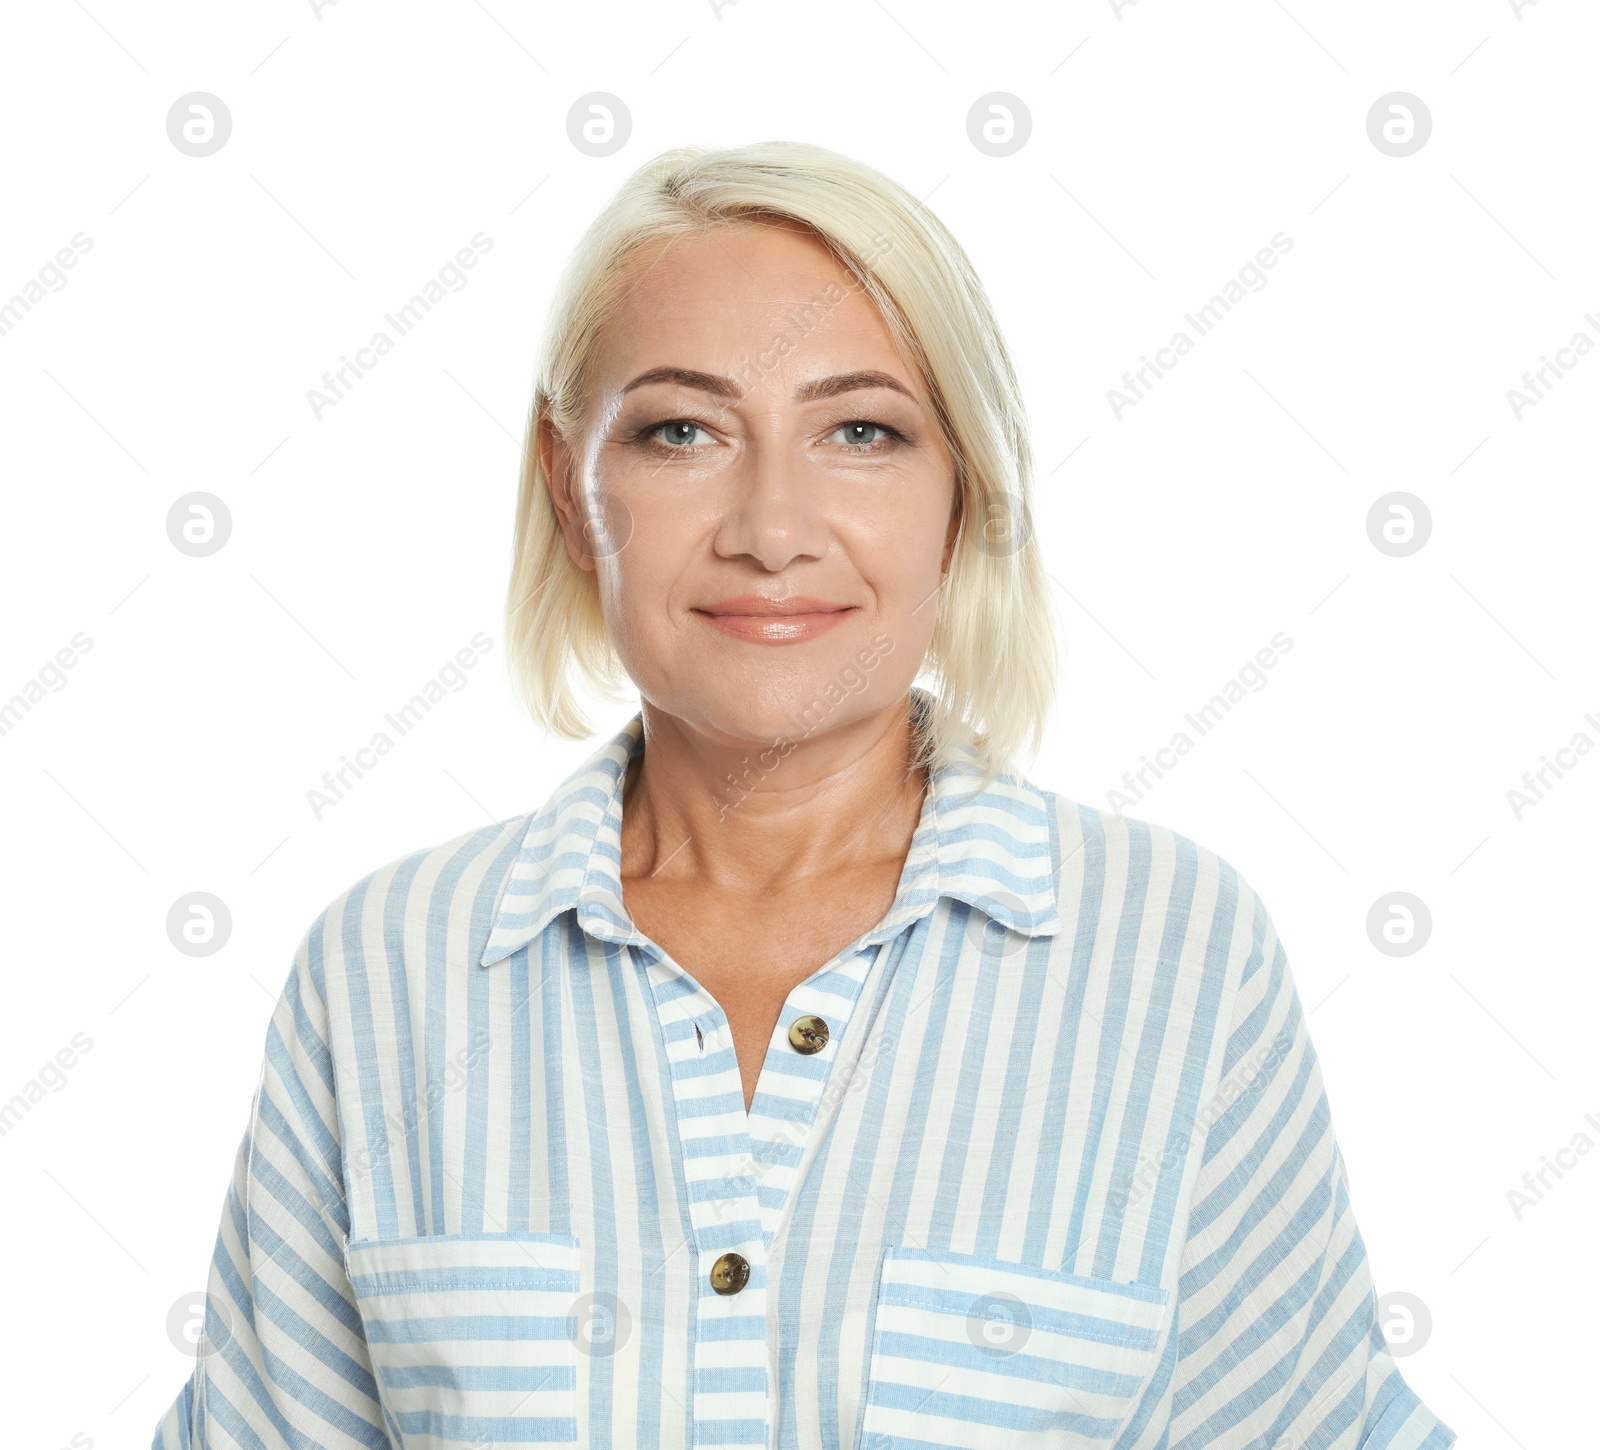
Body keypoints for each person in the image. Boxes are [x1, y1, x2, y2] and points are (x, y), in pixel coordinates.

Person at [155, 141, 1454, 1449]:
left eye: (861, 431)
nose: (771, 527)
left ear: (962, 493)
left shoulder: (1178, 952)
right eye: (682, 431)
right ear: (569, 480)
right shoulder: (387, 968)